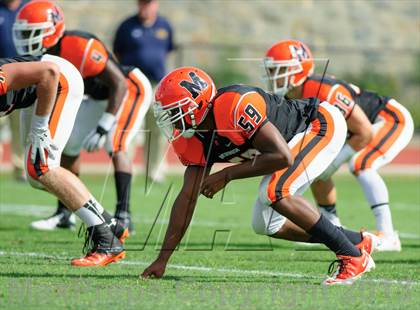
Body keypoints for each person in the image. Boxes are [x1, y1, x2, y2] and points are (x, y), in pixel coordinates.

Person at [141, 67, 378, 285]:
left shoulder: (234, 106)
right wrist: (163, 258)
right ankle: (357, 240)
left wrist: (227, 175)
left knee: (275, 192)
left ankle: (353, 257)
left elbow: (281, 156)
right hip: (293, 143)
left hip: (319, 124)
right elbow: (187, 198)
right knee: (265, 223)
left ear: (199, 103)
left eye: (175, 111)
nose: (171, 119)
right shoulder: (193, 139)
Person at [14, 0, 153, 233]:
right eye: (25, 33)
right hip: (96, 98)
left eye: (33, 32)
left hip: (129, 89)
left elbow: (119, 82)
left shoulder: (79, 44)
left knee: (115, 144)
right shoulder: (43, 56)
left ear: (52, 30)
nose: (28, 38)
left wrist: (104, 125)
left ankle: (123, 215)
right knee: (69, 147)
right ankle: (64, 213)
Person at [263, 39, 414, 251]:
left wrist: (333, 165)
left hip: (390, 119)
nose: (274, 76)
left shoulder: (322, 88)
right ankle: (332, 226)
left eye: (280, 69)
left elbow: (364, 131)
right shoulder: (291, 95)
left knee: (361, 165)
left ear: (299, 69)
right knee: (313, 165)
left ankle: (388, 234)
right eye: (272, 70)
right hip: (357, 130)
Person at [0, 54, 127, 266]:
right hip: (37, 93)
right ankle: (110, 223)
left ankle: (106, 241)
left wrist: (41, 127)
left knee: (42, 167)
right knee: (35, 176)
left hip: (58, 80)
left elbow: (49, 72)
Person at [113, 0, 174, 184]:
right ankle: (126, 169)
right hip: (134, 85)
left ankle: (154, 170)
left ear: (156, 4)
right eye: (142, 3)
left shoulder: (165, 26)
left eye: (148, 3)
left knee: (158, 129)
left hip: (157, 87)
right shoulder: (126, 26)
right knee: (130, 128)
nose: (145, 7)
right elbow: (117, 53)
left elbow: (167, 52)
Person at [0, 0, 26, 181]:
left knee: (21, 128)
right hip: (0, 77)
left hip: (24, 79)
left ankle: (21, 171)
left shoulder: (28, 7)